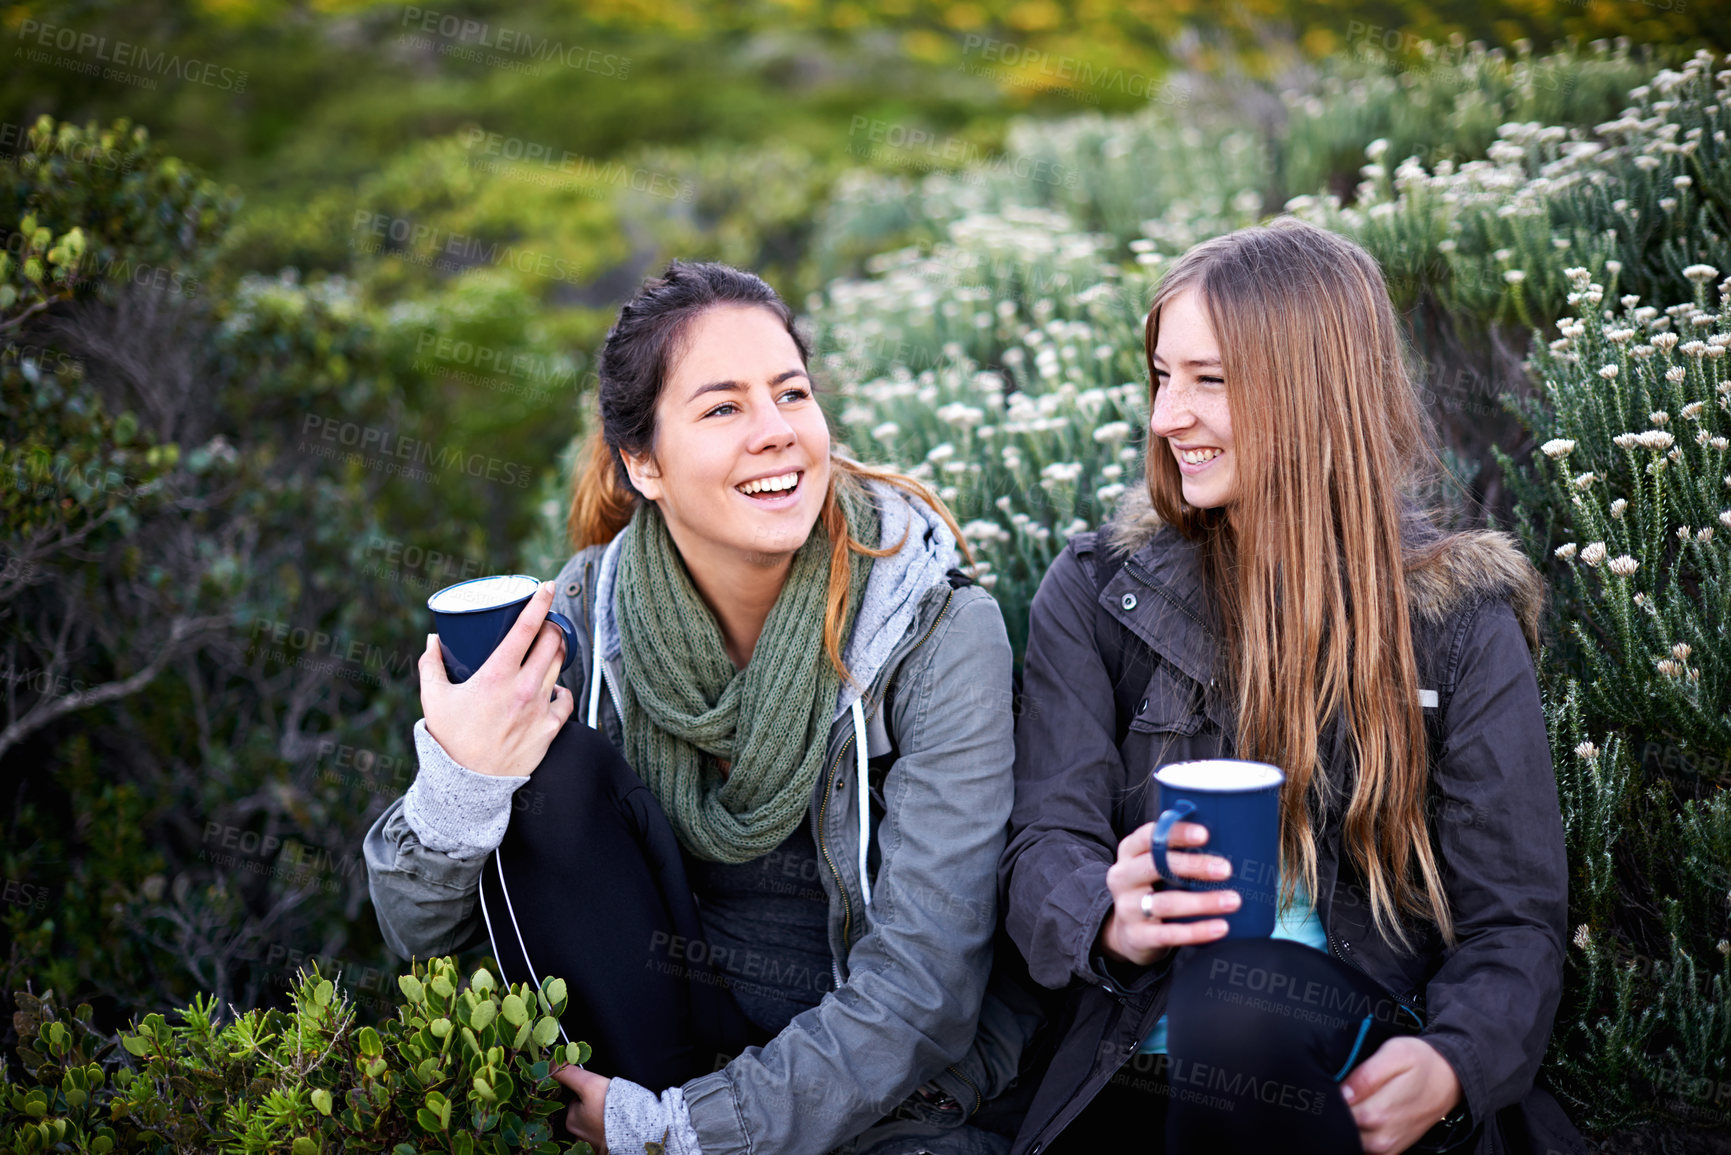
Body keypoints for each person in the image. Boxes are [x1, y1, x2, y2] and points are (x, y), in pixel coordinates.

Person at [364, 260, 1040, 1155]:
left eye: (790, 394)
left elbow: (924, 988)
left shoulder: (933, 631)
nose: (775, 433)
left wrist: (681, 1135)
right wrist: (463, 777)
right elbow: (425, 940)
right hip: (649, 1066)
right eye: (722, 407)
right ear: (642, 463)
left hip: (891, 1103)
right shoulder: (581, 621)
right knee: (550, 772)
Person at [999, 218, 1583, 1155]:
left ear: (1313, 390)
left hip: (1347, 1065)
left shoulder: (1457, 619)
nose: (1165, 417)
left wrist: (1451, 1062)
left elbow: (1513, 921)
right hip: (1127, 1064)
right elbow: (1041, 841)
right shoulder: (1097, 592)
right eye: (1161, 377)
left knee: (1244, 1005)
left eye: (1209, 381)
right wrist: (1105, 913)